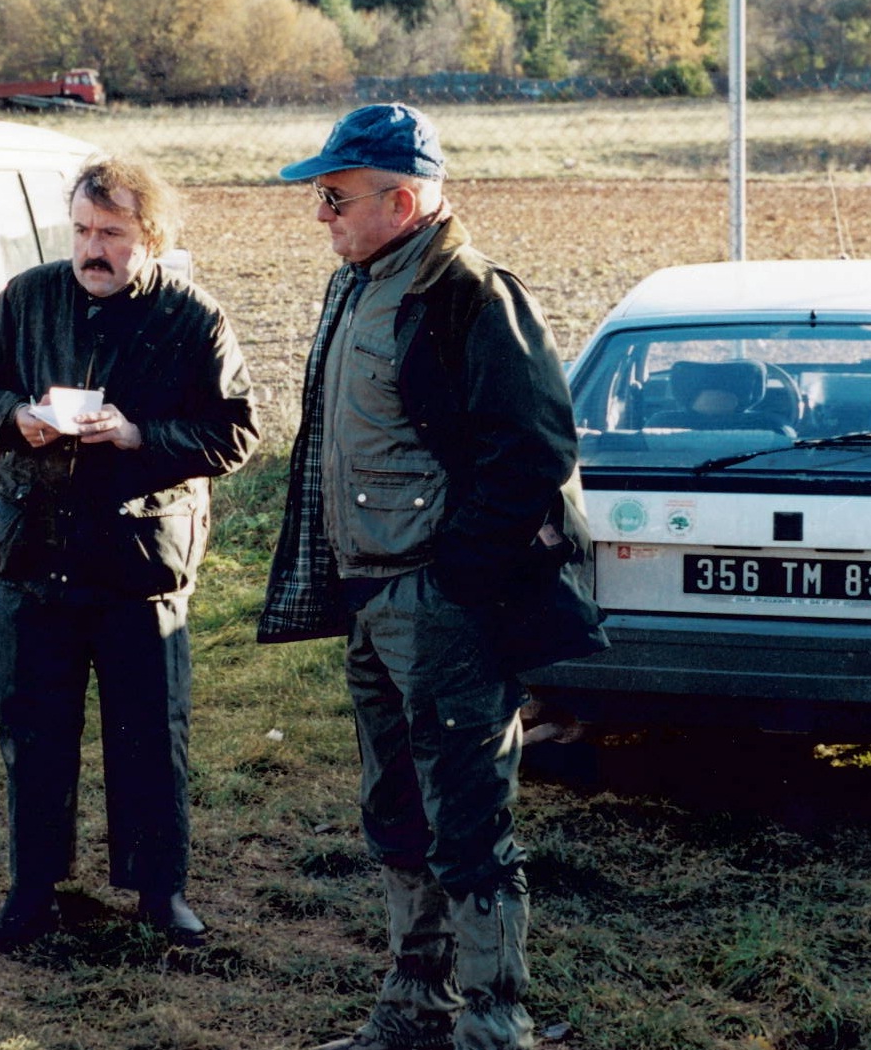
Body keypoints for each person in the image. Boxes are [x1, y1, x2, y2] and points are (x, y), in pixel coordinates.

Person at [258, 105, 607, 1050]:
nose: (319, 213)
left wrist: (453, 577)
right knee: (394, 811)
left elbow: (532, 451)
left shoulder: (470, 295)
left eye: (333, 196)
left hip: (438, 607)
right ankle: (414, 1006)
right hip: (370, 600)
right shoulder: (360, 284)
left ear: (401, 199)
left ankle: (495, 1021)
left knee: (466, 816)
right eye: (319, 196)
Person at [0, 156, 259, 954]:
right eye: (83, 230)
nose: (93, 248)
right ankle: (30, 893)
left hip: (137, 564)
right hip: (32, 560)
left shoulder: (193, 318)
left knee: (150, 733)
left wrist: (138, 436)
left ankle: (160, 891)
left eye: (112, 234)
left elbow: (236, 429)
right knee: (32, 731)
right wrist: (17, 418)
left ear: (149, 237)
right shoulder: (29, 297)